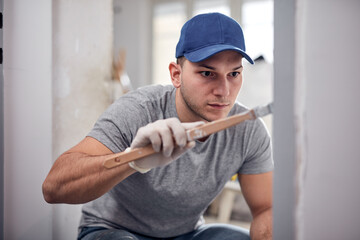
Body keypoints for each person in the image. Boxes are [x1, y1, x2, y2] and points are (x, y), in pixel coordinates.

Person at [42, 12, 273, 240]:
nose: (224, 91)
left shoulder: (248, 130)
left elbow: (265, 209)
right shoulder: (138, 110)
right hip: (112, 229)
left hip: (187, 233)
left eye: (234, 73)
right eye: (207, 73)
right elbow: (53, 188)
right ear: (176, 74)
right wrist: (132, 160)